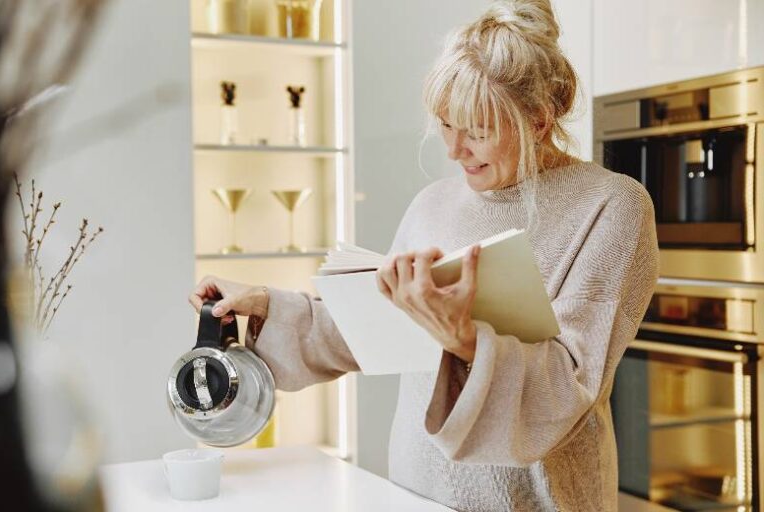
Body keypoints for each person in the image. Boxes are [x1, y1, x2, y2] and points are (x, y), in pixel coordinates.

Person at [189, 0, 659, 510]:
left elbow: (572, 383)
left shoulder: (612, 206)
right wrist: (264, 303)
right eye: (445, 125)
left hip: (537, 499)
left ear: (540, 121)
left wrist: (463, 338)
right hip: (416, 490)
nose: (455, 150)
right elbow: (370, 329)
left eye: (477, 131)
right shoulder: (433, 202)